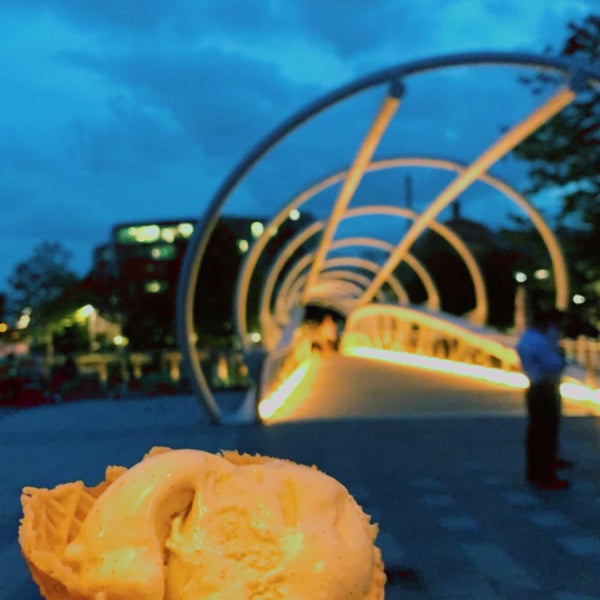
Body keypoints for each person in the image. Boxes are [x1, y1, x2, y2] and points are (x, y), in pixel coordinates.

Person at [517, 307, 568, 490]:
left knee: (535, 431)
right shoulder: (540, 341)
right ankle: (545, 475)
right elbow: (552, 365)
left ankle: (534, 470)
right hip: (545, 389)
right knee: (546, 432)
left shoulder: (526, 338)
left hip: (534, 387)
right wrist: (562, 359)